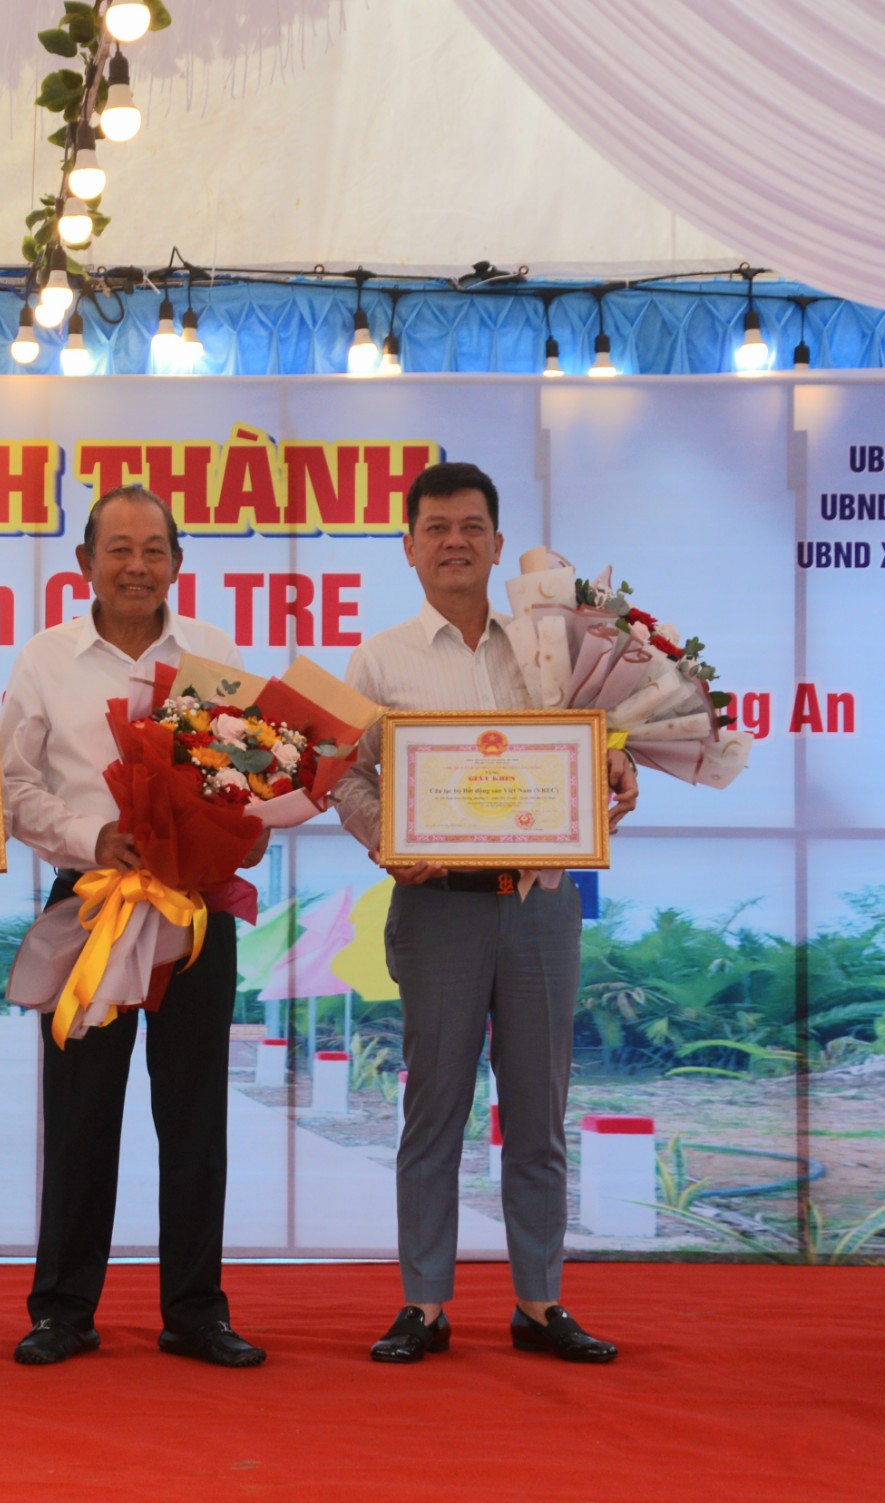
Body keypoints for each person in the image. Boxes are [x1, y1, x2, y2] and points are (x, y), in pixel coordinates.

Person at [329, 460, 638, 1366]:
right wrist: (386, 838)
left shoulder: (553, 647)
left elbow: (596, 740)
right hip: (437, 909)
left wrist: (617, 762)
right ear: (409, 547)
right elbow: (345, 776)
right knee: (433, 1110)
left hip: (540, 903)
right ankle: (423, 1303)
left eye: (471, 527)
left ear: (499, 543)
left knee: (539, 1111)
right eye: (436, 528)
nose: (454, 542)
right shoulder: (379, 659)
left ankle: (540, 1302)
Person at [0, 485, 265, 1369]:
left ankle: (195, 1309)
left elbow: (249, 773)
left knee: (194, 1114)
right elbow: (12, 786)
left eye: (154, 549)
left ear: (178, 563)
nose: (137, 565)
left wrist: (240, 823)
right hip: (93, 900)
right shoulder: (46, 658)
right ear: (85, 562)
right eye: (119, 548)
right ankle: (62, 1308)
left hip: (192, 907)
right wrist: (92, 834)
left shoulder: (216, 656)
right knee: (79, 1114)